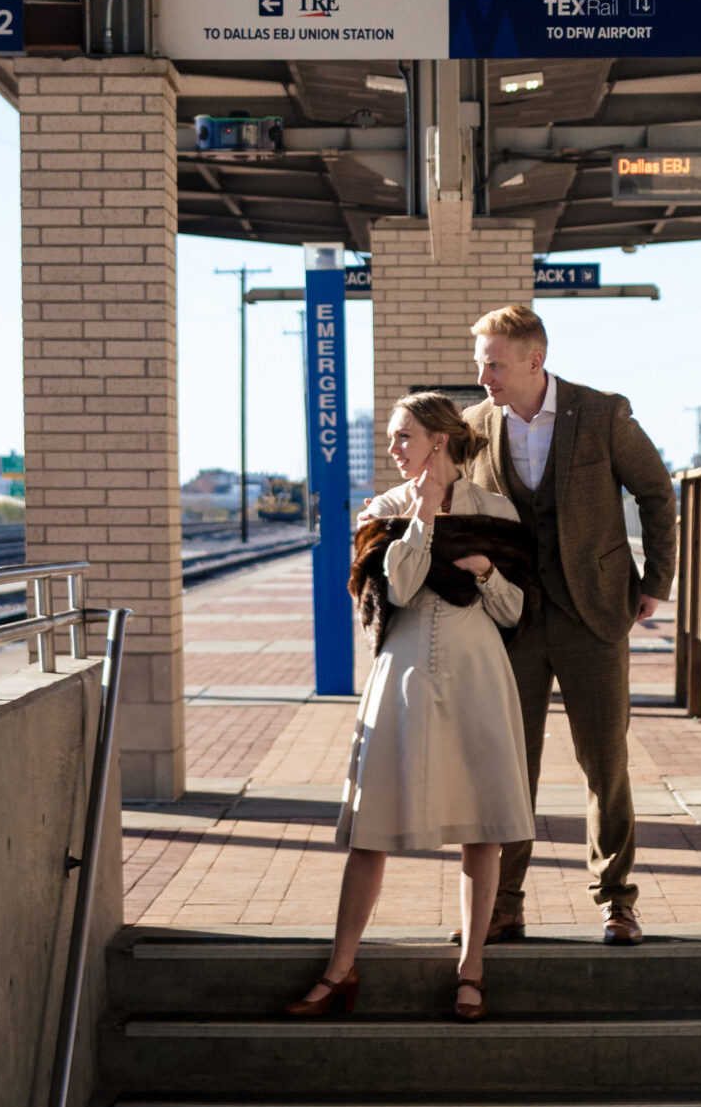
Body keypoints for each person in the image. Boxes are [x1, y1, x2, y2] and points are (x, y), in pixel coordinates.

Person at [284, 392, 538, 1024]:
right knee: (372, 829)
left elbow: (513, 611)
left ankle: (471, 969)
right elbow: (395, 588)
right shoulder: (383, 511)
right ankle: (340, 968)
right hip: (400, 678)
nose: (394, 449)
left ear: (439, 441)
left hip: (478, 675)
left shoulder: (497, 512)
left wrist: (482, 572)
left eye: (403, 437)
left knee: (481, 828)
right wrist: (422, 517)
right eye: (394, 438)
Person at [464, 303, 677, 946]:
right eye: (480, 365)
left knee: (604, 762)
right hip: (513, 621)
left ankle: (617, 900)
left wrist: (655, 584)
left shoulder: (602, 413)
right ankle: (503, 904)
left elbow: (657, 493)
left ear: (536, 360)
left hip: (595, 615)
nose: (484, 379)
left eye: (494, 365)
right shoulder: (476, 426)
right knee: (509, 766)